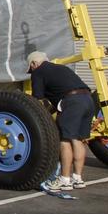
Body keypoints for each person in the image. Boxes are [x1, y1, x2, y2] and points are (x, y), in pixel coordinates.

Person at [28, 50, 93, 190]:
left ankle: (64, 180)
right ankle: (78, 178)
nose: (31, 70)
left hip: (72, 102)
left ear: (34, 63)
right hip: (87, 99)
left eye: (31, 67)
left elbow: (37, 101)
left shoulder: (38, 72)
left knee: (65, 140)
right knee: (78, 139)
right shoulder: (61, 68)